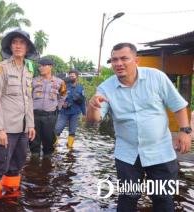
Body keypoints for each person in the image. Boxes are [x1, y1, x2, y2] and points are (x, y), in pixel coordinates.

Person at [87, 42, 192, 211]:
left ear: (136, 60)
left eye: (124, 58)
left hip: (160, 151)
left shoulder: (156, 77)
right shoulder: (105, 88)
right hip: (127, 154)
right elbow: (95, 120)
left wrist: (185, 131)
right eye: (114, 60)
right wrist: (92, 107)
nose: (118, 63)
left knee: (163, 198)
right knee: (128, 197)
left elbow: (178, 105)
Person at [0, 29, 38, 201]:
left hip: (23, 128)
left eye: (22, 43)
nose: (18, 46)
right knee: (0, 165)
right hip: (6, 128)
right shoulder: (1, 68)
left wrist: (31, 125)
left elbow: (28, 99)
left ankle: (11, 199)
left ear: (27, 47)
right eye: (15, 42)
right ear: (10, 46)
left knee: (17, 165)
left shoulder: (29, 70)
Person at [30, 57, 67, 157]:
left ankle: (47, 162)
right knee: (33, 140)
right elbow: (28, 96)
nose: (40, 68)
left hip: (50, 116)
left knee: (48, 140)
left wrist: (57, 108)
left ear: (50, 67)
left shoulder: (60, 82)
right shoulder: (33, 81)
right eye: (40, 66)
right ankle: (34, 159)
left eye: (43, 66)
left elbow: (63, 95)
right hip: (34, 115)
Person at [55, 69, 86, 148]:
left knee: (72, 131)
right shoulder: (64, 86)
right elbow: (57, 97)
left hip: (75, 113)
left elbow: (82, 101)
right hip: (64, 112)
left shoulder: (80, 88)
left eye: (73, 76)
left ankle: (69, 148)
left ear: (77, 77)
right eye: (70, 76)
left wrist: (84, 114)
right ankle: (53, 146)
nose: (71, 77)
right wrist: (62, 104)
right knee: (58, 129)